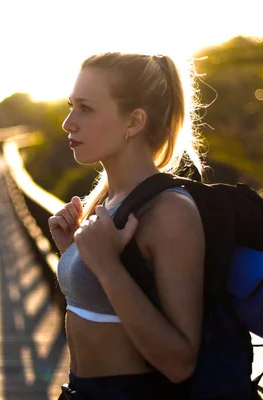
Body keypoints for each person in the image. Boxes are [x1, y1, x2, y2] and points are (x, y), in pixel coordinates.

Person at [49, 52, 207, 399]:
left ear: (134, 122)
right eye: (70, 105)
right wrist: (74, 254)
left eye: (86, 109)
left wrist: (105, 266)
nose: (68, 123)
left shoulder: (170, 211)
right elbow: (105, 307)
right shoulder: (107, 198)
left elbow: (180, 363)